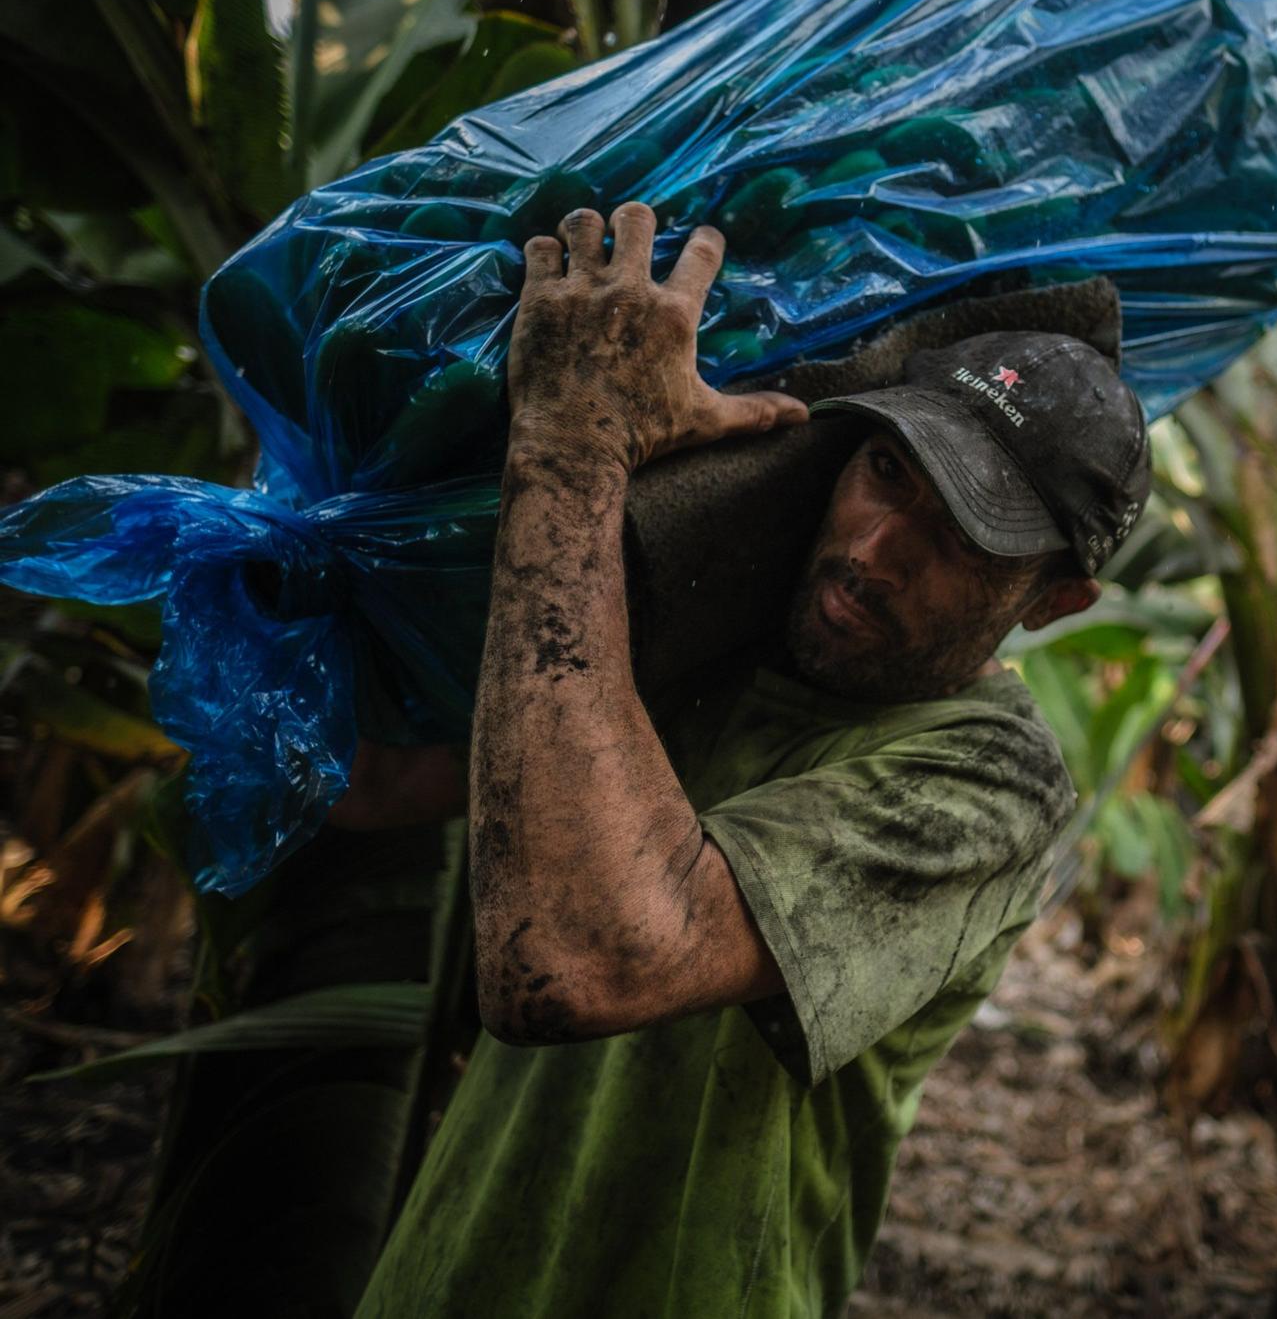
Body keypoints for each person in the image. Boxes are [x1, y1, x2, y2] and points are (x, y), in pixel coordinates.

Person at [344, 204, 1150, 1315]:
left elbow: (578, 961)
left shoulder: (985, 788)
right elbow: (375, 784)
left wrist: (572, 445)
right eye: (883, 470)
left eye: (960, 539)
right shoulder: (717, 634)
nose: (872, 550)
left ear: (1055, 602)